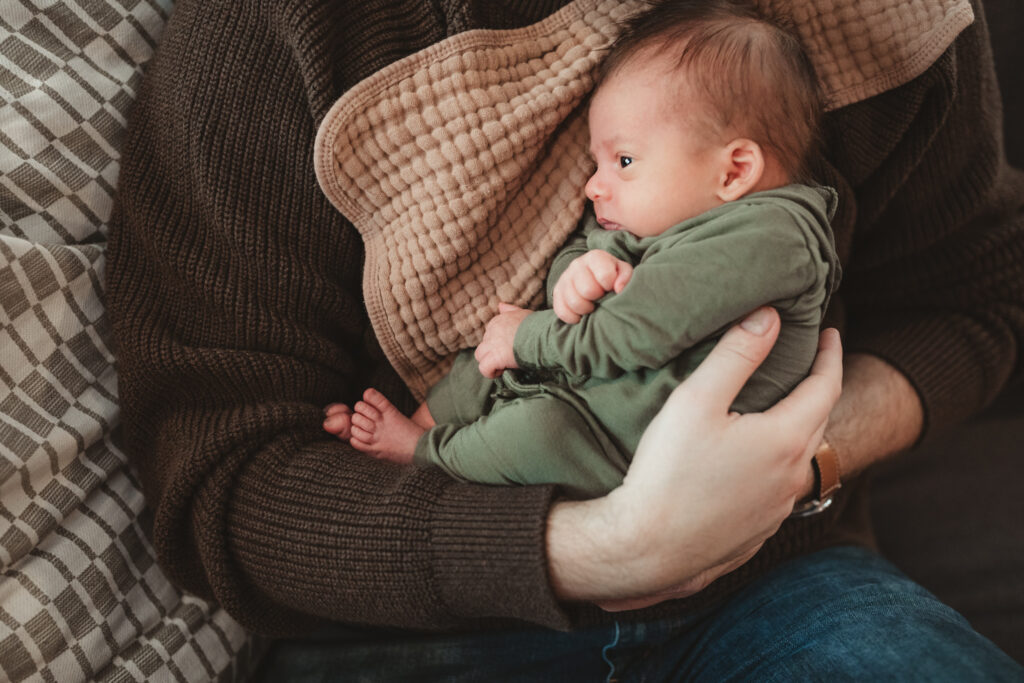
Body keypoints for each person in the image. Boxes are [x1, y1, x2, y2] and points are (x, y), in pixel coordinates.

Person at [104, 0, 1024, 678]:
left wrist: (792, 463)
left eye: (618, 162)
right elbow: (218, 474)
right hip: (420, 626)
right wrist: (607, 544)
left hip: (773, 583)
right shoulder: (271, 31)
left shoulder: (867, 39)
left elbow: (976, 300)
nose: (596, 186)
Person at [322, 5, 839, 500]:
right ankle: (414, 430)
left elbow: (639, 329)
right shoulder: (656, 221)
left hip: (626, 452)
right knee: (479, 364)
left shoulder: (773, 237)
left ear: (734, 171)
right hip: (585, 382)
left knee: (536, 432)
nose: (593, 186)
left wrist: (527, 338)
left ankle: (424, 454)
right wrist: (579, 272)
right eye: (596, 163)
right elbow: (577, 260)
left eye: (624, 160)